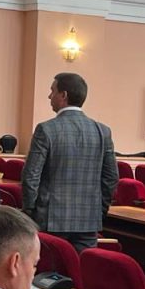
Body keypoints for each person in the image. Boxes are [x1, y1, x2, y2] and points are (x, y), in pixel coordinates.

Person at [21, 73, 119, 252]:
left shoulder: (46, 129)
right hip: (88, 220)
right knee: (82, 268)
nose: (49, 96)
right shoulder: (102, 131)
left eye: (52, 91)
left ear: (63, 95)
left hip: (50, 219)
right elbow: (111, 178)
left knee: (51, 269)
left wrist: (29, 211)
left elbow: (31, 175)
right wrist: (99, 210)